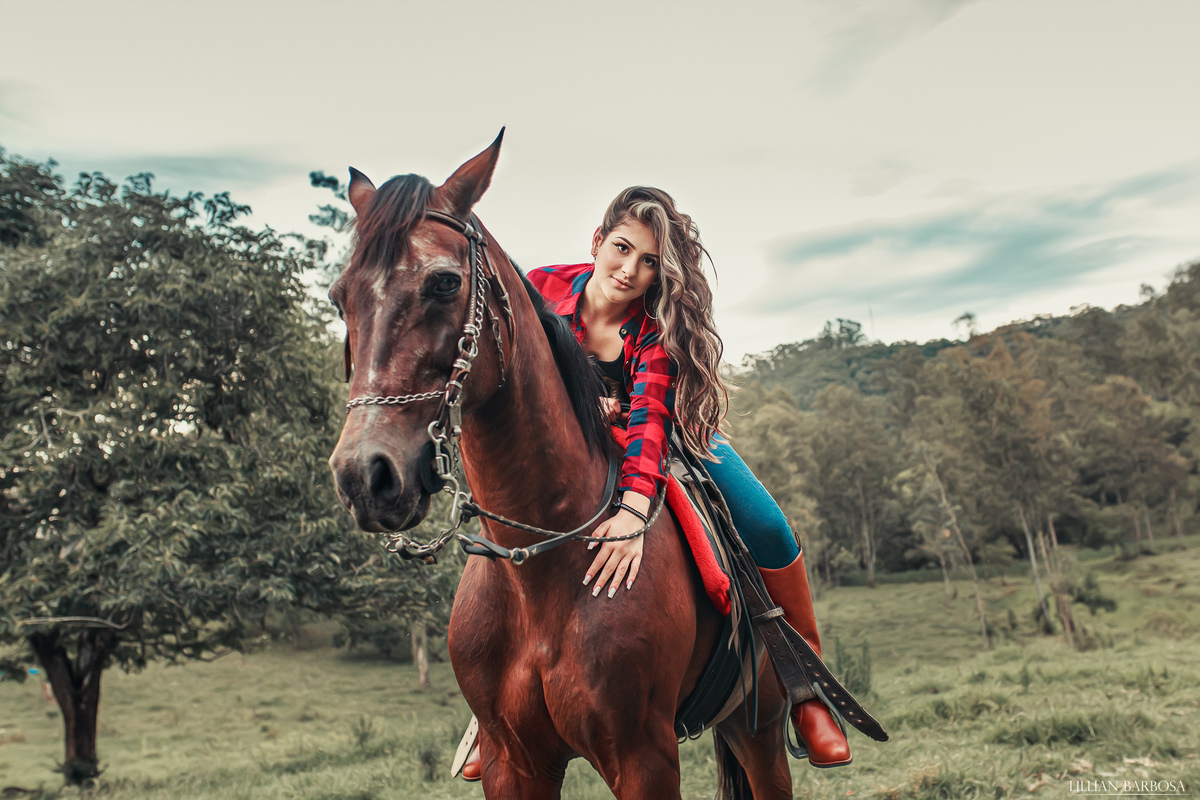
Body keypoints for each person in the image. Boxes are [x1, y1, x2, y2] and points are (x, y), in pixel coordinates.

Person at [460, 187, 850, 781]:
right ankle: (495, 713)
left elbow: (648, 426)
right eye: (622, 249)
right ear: (598, 241)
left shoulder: (654, 327)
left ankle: (805, 686)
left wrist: (635, 511)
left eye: (648, 262)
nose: (629, 270)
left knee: (768, 525)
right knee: (504, 538)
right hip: (569, 450)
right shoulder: (541, 288)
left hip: (670, 434)